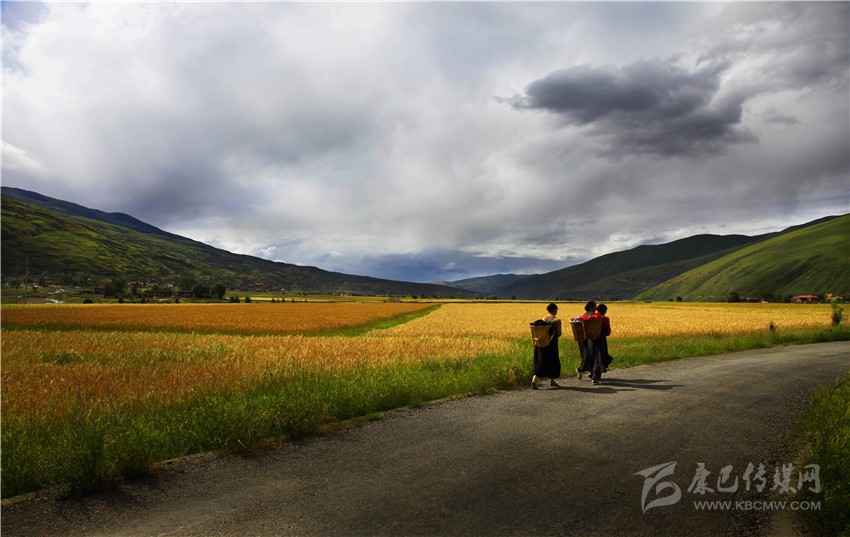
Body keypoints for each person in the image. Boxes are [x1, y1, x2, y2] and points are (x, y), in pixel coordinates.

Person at [579, 302, 612, 385]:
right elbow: (608, 331)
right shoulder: (604, 318)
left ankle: (591, 373)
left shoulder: (589, 317)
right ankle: (595, 378)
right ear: (604, 311)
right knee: (599, 358)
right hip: (600, 341)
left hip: (590, 341)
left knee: (592, 357)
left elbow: (580, 319)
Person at [531, 303, 562, 389]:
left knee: (540, 362)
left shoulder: (542, 320)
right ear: (555, 310)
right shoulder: (555, 320)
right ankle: (552, 381)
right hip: (551, 345)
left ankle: (534, 379)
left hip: (540, 344)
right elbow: (558, 333)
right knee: (553, 361)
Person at [575, 301, 596, 380]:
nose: (596, 308)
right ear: (591, 307)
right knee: (589, 355)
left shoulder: (582, 316)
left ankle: (590, 372)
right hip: (590, 338)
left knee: (586, 355)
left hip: (582, 338)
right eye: (595, 306)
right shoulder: (592, 315)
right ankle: (580, 370)